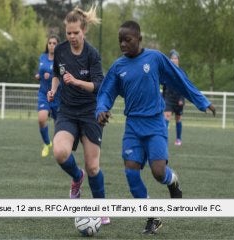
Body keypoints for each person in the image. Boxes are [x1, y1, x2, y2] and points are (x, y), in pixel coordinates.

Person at [96, 20, 216, 234]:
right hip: (132, 126)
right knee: (132, 174)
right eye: (120, 41)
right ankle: (153, 216)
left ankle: (173, 181)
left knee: (158, 172)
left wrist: (202, 101)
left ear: (139, 39)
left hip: (154, 124)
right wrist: (101, 109)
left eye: (128, 40)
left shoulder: (155, 58)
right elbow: (106, 92)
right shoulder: (118, 67)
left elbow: (179, 79)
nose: (123, 44)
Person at [47, 5, 110, 225]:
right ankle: (77, 177)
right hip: (67, 111)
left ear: (84, 30)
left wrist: (75, 81)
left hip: (90, 112)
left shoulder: (92, 54)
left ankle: (101, 208)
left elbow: (99, 86)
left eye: (76, 32)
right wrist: (53, 90)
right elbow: (56, 74)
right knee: (60, 152)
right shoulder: (61, 51)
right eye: (69, 33)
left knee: (93, 166)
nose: (72, 37)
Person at [35, 34, 60, 157]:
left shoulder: (61, 60)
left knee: (58, 124)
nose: (51, 45)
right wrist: (38, 76)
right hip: (44, 93)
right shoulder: (42, 57)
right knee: (41, 118)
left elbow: (63, 75)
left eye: (54, 43)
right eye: (50, 43)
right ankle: (47, 143)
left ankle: (59, 147)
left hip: (57, 95)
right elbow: (38, 72)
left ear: (58, 45)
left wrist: (50, 76)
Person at [162, 49, 185, 146]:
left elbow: (184, 87)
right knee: (166, 116)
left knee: (178, 118)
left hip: (178, 98)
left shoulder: (182, 72)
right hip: (168, 97)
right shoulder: (167, 72)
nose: (173, 60)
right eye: (172, 58)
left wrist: (181, 99)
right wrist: (162, 97)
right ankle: (164, 138)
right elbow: (164, 86)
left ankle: (178, 139)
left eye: (175, 58)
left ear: (178, 60)